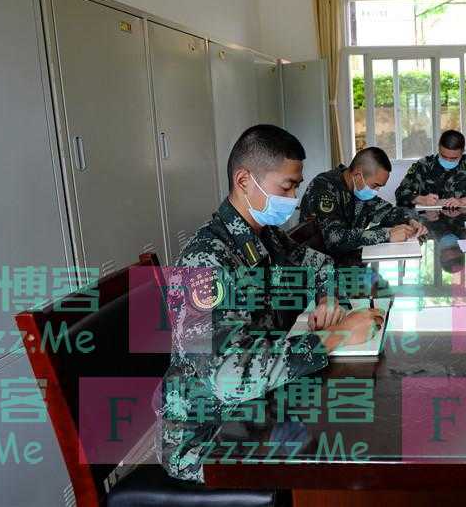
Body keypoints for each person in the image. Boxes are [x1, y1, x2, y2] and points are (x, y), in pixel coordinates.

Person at [158, 124, 384, 483]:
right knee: (336, 463)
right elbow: (229, 377)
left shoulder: (266, 237)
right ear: (244, 180)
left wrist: (327, 298)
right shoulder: (205, 262)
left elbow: (321, 265)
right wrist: (336, 336)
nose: (294, 198)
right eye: (287, 186)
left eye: (296, 186)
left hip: (260, 404)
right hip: (209, 436)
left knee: (356, 430)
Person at [298, 146, 427, 257]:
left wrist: (410, 220)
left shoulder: (359, 190)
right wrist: (387, 235)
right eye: (375, 185)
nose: (376, 191)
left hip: (348, 258)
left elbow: (388, 212)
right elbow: (334, 239)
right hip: (320, 267)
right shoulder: (324, 188)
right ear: (358, 176)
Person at [395, 129, 466, 208]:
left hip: (464, 223)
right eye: (444, 156)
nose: (448, 160)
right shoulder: (424, 165)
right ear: (439, 148)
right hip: (430, 223)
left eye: (453, 158)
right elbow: (400, 193)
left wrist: (464, 201)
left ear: (462, 152)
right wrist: (420, 199)